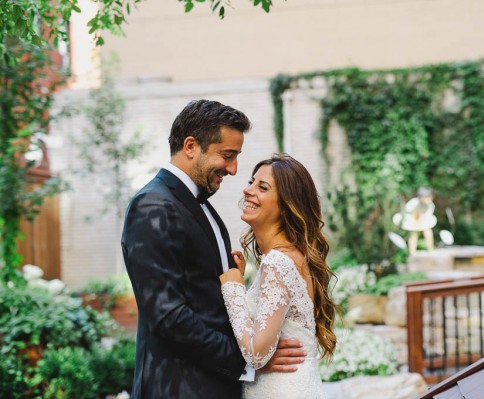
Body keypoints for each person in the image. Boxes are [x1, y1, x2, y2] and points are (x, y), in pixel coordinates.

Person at [121, 100, 305, 399]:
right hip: (181, 388)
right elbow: (168, 316)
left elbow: (209, 300)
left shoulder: (199, 204)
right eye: (227, 155)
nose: (233, 169)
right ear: (191, 146)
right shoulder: (153, 206)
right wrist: (247, 360)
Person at [219, 154, 337, 398]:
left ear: (285, 205)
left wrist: (233, 291)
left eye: (262, 187)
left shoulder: (277, 262)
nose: (248, 190)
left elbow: (256, 354)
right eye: (252, 182)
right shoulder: (289, 257)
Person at [401, 187, 437, 254]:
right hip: (412, 220)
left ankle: (430, 249)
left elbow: (428, 215)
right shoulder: (413, 203)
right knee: (413, 235)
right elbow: (407, 212)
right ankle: (412, 251)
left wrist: (422, 221)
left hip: (423, 220)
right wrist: (416, 220)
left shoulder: (430, 205)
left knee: (428, 232)